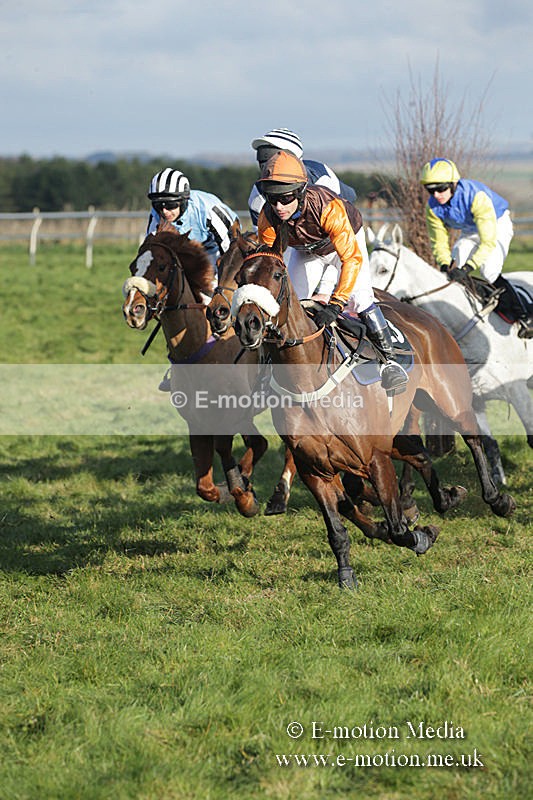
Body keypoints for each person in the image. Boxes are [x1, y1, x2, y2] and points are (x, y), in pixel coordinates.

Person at [256, 150, 409, 393]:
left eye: (285, 199)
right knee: (289, 303)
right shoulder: (268, 216)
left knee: (360, 298)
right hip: (306, 251)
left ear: (300, 191)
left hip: (344, 248)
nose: (278, 206)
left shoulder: (328, 207)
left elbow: (350, 258)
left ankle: (389, 362)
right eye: (271, 198)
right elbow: (270, 262)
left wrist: (336, 305)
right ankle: (268, 367)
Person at [146, 168, 239, 390]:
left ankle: (234, 354)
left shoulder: (207, 209)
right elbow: (153, 252)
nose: (165, 211)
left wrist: (220, 288)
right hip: (186, 253)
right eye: (159, 206)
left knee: (215, 301)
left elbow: (231, 252)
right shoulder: (157, 212)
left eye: (170, 205)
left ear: (184, 200)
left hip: (219, 251)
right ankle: (179, 365)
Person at [420, 157, 532, 335]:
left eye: (441, 188)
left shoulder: (475, 196)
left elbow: (488, 242)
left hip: (497, 225)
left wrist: (469, 267)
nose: (436, 195)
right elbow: (438, 240)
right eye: (430, 190)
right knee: (452, 268)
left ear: (453, 183)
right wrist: (444, 263)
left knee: (489, 270)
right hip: (470, 232)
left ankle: (526, 316)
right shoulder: (432, 207)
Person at [248, 127, 357, 228]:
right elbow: (263, 241)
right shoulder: (258, 195)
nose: (268, 166)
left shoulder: (321, 181)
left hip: (340, 224)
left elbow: (339, 226)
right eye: (263, 159)